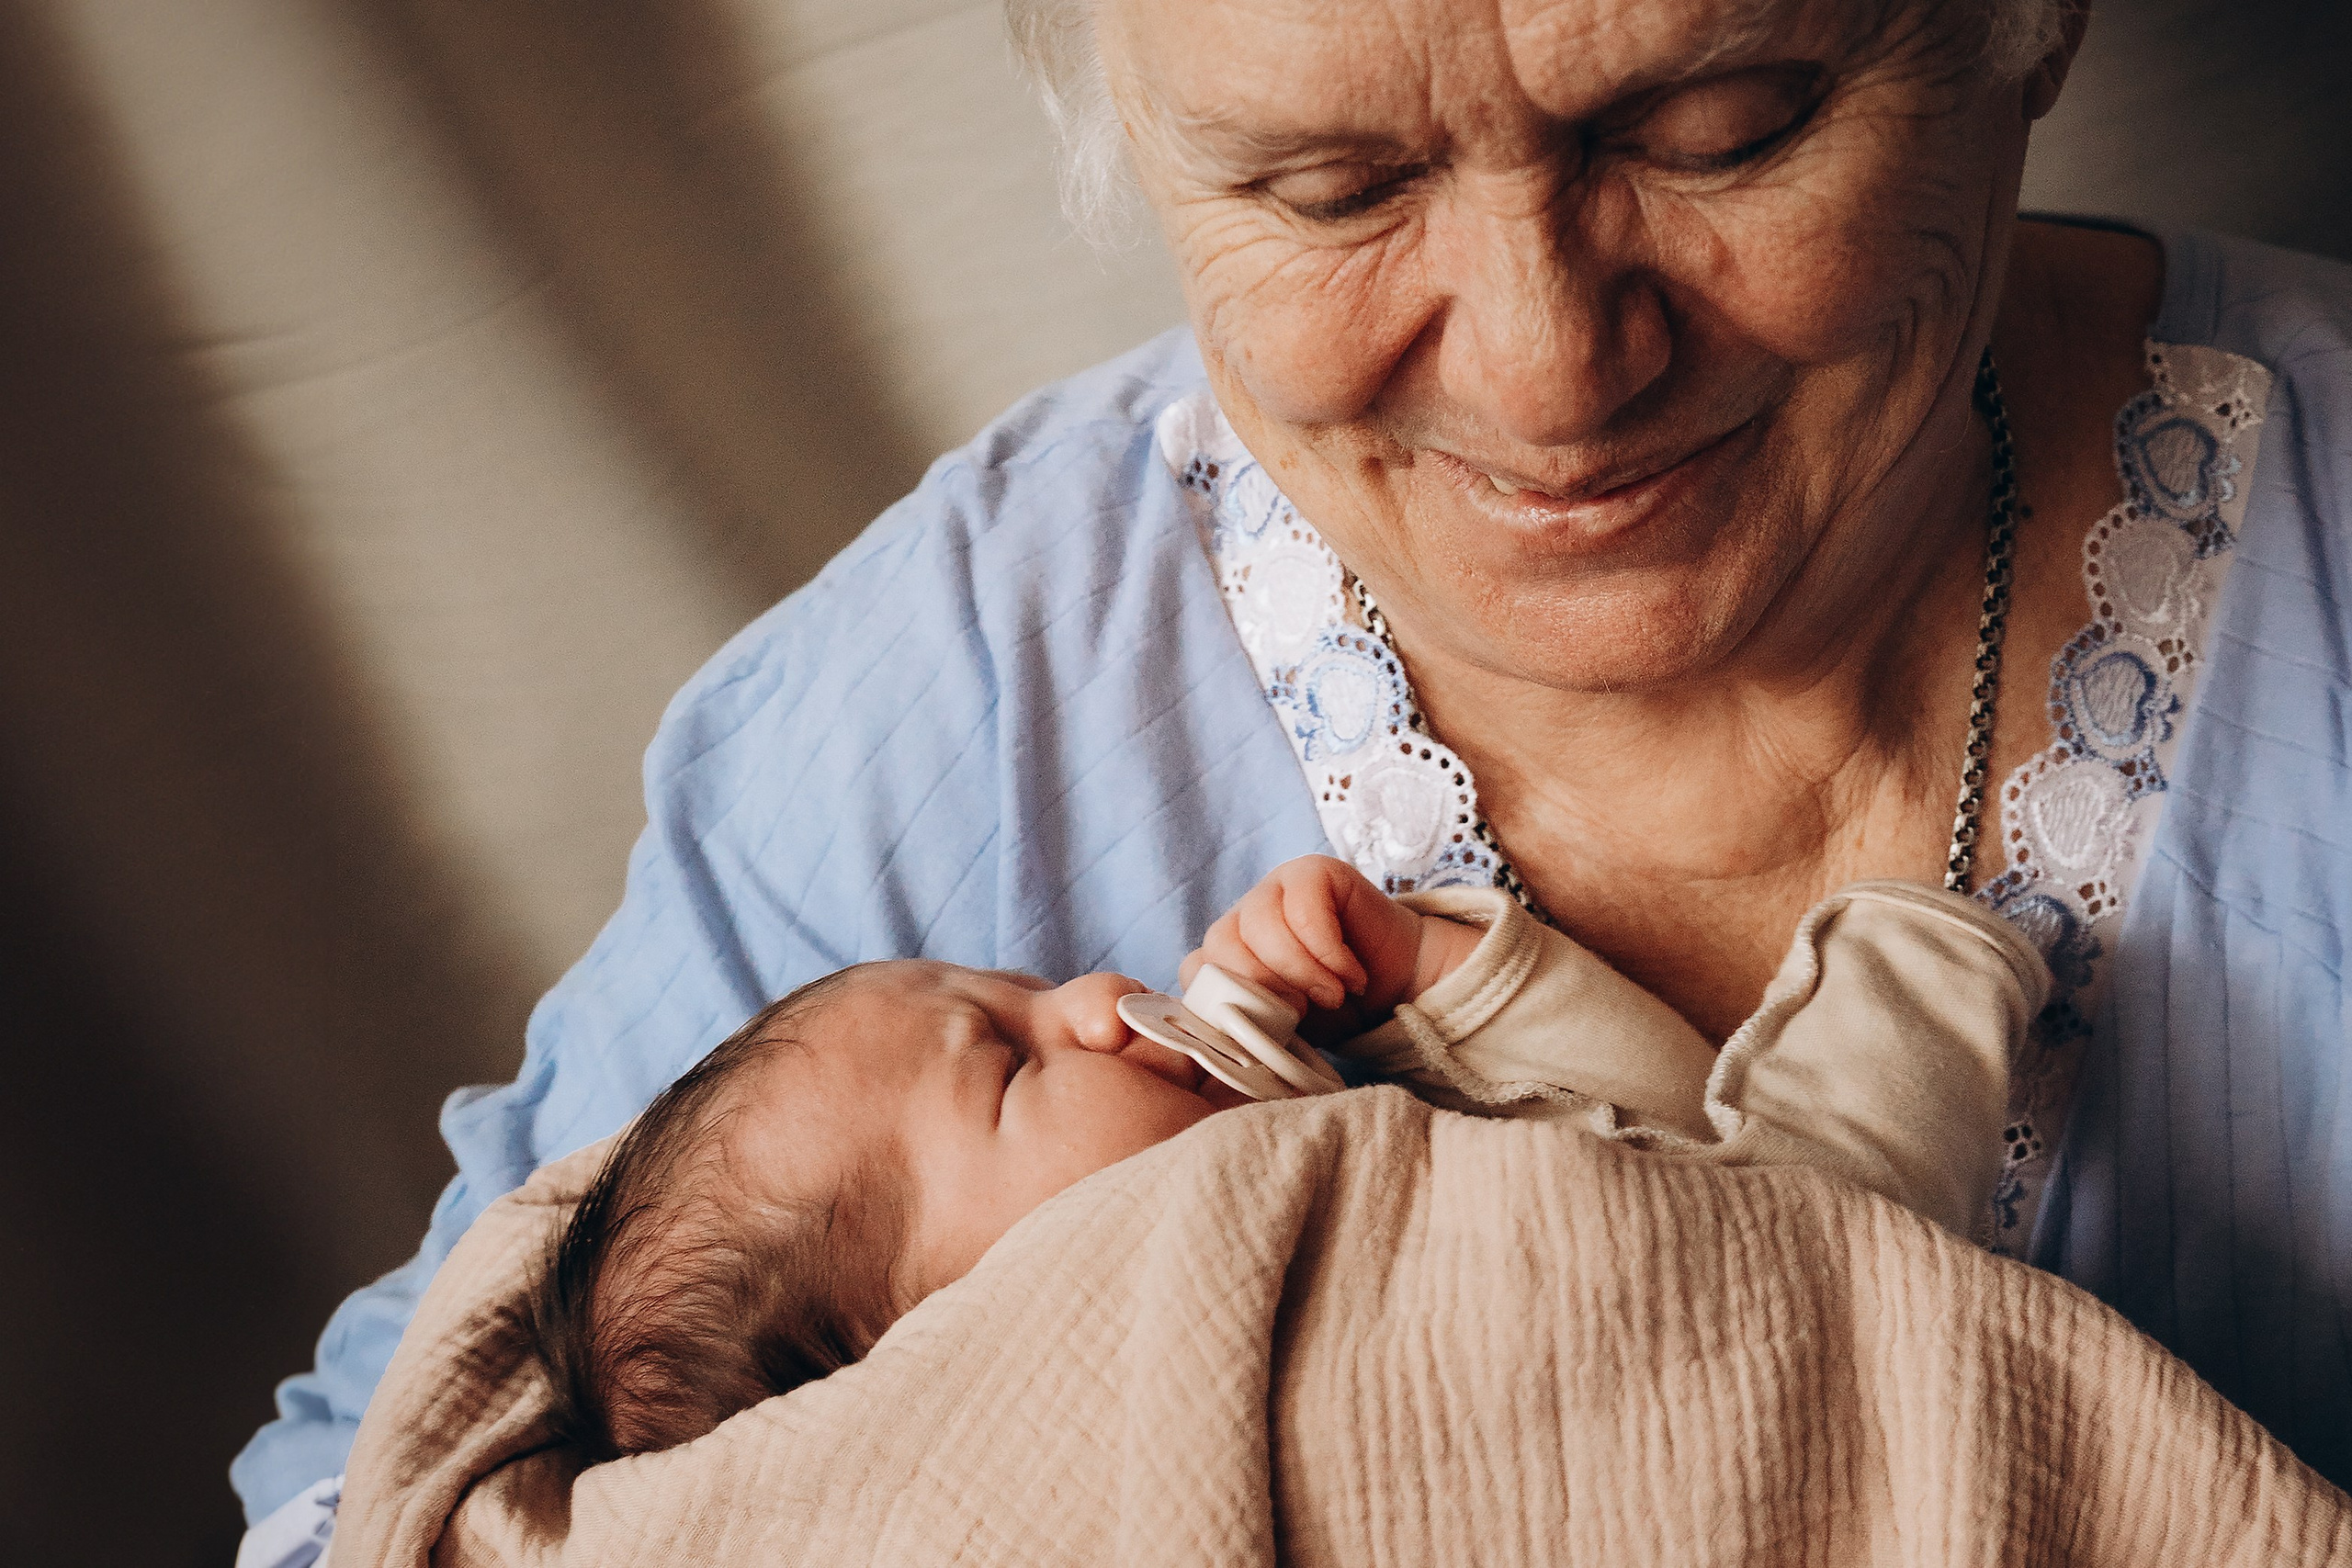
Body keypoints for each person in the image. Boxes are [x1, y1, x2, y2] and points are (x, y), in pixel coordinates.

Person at [234, 0, 2352, 1537]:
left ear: (2016, 29)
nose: (1545, 368)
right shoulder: (958, 694)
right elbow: (408, 1487)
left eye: (1718, 126)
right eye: (1334, 188)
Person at [531, 855, 2043, 1461]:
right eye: (1012, 1056)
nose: (1090, 995)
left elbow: (1673, 1191)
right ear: (954, 1351)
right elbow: (1807, 1241)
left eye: (1022, 988)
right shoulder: (1161, 1425)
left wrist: (1437, 980)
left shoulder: (1363, 1151)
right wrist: (1906, 989)